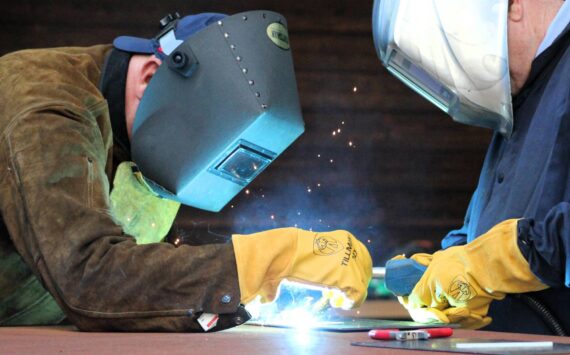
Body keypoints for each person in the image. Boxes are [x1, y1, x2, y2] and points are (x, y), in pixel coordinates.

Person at [0, 11, 372, 331]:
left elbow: (136, 286)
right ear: (150, 77)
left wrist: (246, 291)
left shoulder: (136, 143)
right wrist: (267, 260)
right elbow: (87, 279)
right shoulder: (47, 107)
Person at [374, 0, 570, 334]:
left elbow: (514, 247)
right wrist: (449, 265)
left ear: (514, 6)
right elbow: (493, 229)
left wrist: (509, 256)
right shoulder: (526, 92)